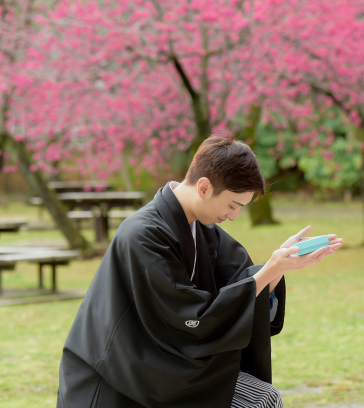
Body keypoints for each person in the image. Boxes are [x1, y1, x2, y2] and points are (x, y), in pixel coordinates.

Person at [57, 136, 342, 408]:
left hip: (161, 368)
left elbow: (242, 283)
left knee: (263, 397)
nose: (234, 216)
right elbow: (191, 317)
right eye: (233, 205)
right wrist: (270, 270)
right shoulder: (142, 235)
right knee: (259, 401)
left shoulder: (204, 232)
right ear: (204, 187)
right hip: (118, 381)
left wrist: (280, 267)